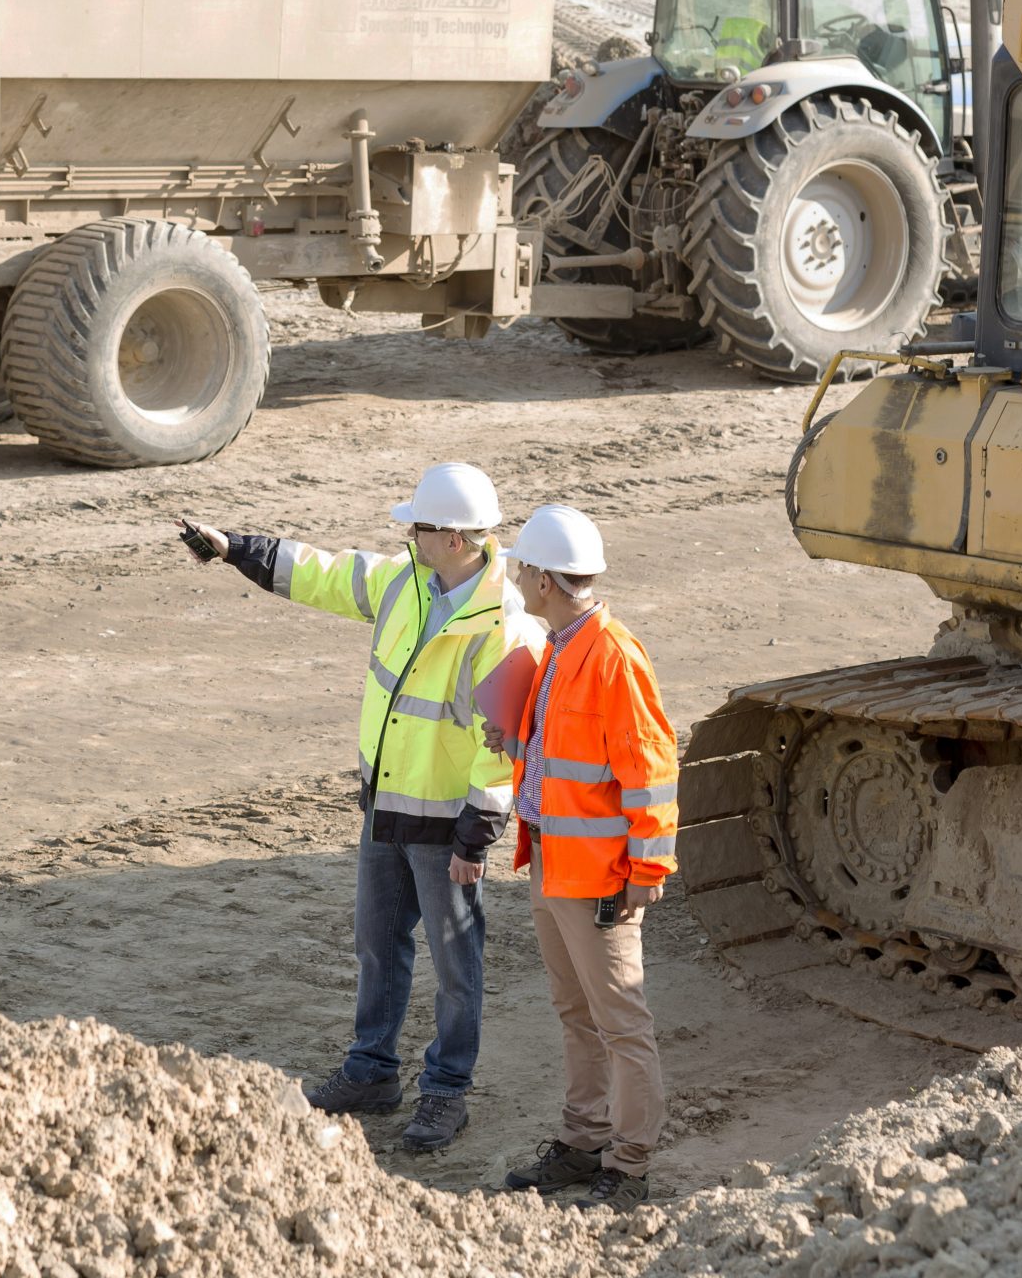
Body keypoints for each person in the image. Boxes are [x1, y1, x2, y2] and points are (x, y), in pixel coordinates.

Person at [176, 463, 538, 1153]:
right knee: (379, 944)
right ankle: (372, 1071)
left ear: (457, 538)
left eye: (421, 526)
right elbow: (326, 573)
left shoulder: (505, 624)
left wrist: (477, 832)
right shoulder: (406, 578)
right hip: (385, 804)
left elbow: (503, 743)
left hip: (444, 823)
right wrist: (236, 549)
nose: (408, 533)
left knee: (457, 966)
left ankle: (446, 1092)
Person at [487, 505, 678, 1215]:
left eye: (522, 569)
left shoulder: (612, 654)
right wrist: (515, 741)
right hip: (552, 865)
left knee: (621, 1021)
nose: (514, 578)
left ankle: (629, 1166)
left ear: (544, 576)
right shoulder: (561, 643)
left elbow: (652, 768)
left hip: (598, 879)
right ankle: (582, 1139)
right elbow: (571, 762)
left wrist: (647, 872)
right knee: (577, 1012)